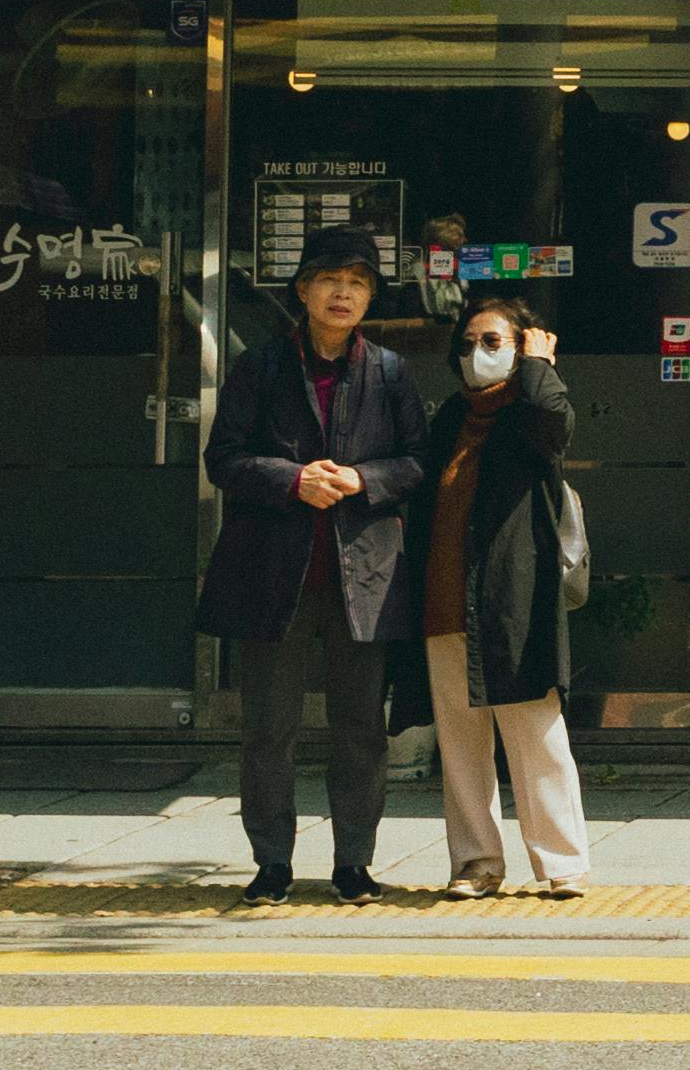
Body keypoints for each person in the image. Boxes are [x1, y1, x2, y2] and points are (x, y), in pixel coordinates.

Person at [200, 230, 425, 902]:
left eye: (358, 282)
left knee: (361, 730)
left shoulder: (389, 371)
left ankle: (354, 861)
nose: (343, 293)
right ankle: (272, 863)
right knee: (270, 728)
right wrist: (292, 479)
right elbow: (224, 459)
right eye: (330, 279)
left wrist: (362, 479)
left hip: (365, 580)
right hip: (276, 577)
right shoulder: (260, 367)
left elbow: (418, 462)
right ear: (302, 290)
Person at [399, 290, 591, 897]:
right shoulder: (451, 419)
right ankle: (476, 863)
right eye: (469, 344)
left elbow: (556, 425)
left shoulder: (531, 414)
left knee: (536, 734)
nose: (478, 353)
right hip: (444, 599)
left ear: (522, 347)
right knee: (460, 744)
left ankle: (561, 863)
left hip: (514, 600)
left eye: (493, 342)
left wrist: (538, 365)